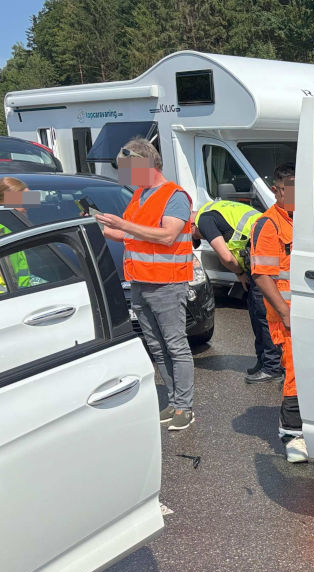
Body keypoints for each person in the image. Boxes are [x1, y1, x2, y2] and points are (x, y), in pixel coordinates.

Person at [95, 137, 196, 431]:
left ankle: (184, 407)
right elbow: (127, 235)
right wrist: (98, 225)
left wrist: (123, 226)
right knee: (155, 344)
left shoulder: (174, 195)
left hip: (166, 283)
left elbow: (167, 236)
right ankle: (176, 402)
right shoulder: (140, 194)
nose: (123, 176)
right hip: (139, 281)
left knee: (175, 345)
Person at [192, 199, 285, 384]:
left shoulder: (204, 219)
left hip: (263, 250)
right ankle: (263, 361)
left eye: (198, 237)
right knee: (255, 309)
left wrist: (240, 273)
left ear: (191, 227)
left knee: (263, 313)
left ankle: (273, 368)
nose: (202, 239)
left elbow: (226, 257)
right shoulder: (215, 207)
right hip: (265, 245)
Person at [250, 163, 306, 463]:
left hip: (309, 313)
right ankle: (292, 435)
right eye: (291, 186)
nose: (297, 192)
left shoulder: (303, 218)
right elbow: (261, 276)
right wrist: (284, 312)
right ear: (278, 189)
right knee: (295, 374)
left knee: (311, 372)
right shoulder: (268, 224)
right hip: (286, 316)